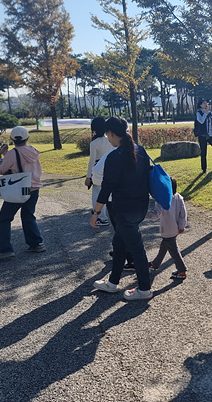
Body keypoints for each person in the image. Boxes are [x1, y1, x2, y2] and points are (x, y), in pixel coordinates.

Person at [91, 116, 153, 301]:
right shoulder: (140, 150)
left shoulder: (114, 156)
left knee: (137, 250)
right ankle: (112, 283)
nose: (108, 138)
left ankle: (144, 289)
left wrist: (96, 212)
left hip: (124, 211)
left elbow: (106, 188)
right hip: (140, 207)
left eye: (107, 135)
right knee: (119, 244)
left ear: (111, 133)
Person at [0, 126, 45, 261]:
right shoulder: (33, 151)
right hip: (34, 188)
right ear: (27, 138)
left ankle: (5, 250)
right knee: (28, 216)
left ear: (12, 139)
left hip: (18, 189)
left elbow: (2, 170)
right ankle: (36, 243)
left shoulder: (12, 153)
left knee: (4, 219)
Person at [147, 177, 188, 280]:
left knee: (174, 251)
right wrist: (181, 226)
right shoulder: (178, 197)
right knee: (164, 246)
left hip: (167, 229)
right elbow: (183, 214)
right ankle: (155, 264)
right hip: (175, 228)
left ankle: (182, 270)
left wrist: (142, 213)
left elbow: (156, 214)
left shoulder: (162, 199)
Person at [85, 117, 113, 226]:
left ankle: (101, 217)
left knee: (97, 195)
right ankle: (107, 217)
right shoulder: (110, 140)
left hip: (98, 170)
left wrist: (88, 176)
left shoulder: (94, 143)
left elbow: (91, 161)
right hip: (110, 169)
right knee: (109, 194)